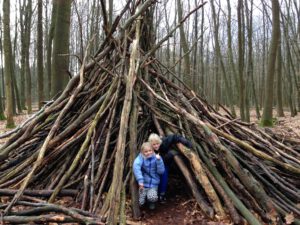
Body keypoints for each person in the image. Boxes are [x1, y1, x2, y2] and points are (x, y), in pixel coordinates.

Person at [148, 133, 192, 202]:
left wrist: (184, 141)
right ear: (150, 144)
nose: (156, 146)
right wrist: (169, 155)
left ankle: (162, 195)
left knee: (164, 177)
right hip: (155, 166)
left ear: (160, 142)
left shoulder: (164, 142)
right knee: (155, 179)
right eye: (154, 144)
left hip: (165, 165)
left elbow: (174, 136)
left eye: (157, 144)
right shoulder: (149, 150)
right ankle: (154, 195)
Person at [133, 142, 165, 210]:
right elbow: (136, 166)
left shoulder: (157, 158)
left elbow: (161, 171)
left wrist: (159, 161)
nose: (148, 153)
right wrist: (140, 181)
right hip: (143, 184)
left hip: (154, 184)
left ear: (153, 150)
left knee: (152, 197)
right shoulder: (141, 158)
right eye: (146, 151)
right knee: (141, 202)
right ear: (142, 152)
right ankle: (143, 202)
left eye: (150, 150)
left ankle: (151, 202)